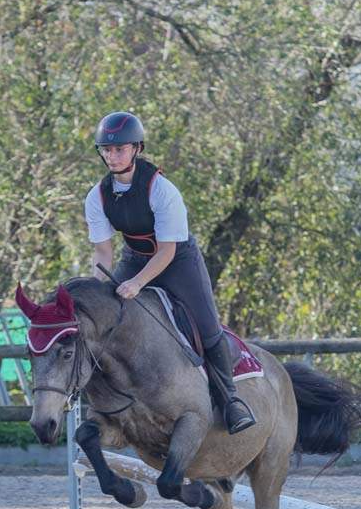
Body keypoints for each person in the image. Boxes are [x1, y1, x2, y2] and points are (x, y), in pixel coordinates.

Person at [85, 111, 255, 434]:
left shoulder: (161, 190)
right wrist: (96, 290)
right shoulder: (96, 196)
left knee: (207, 326)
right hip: (134, 257)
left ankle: (231, 400)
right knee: (106, 313)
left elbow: (166, 252)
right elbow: (102, 252)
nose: (112, 155)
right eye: (106, 150)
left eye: (119, 149)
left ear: (137, 148)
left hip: (178, 261)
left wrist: (137, 283)